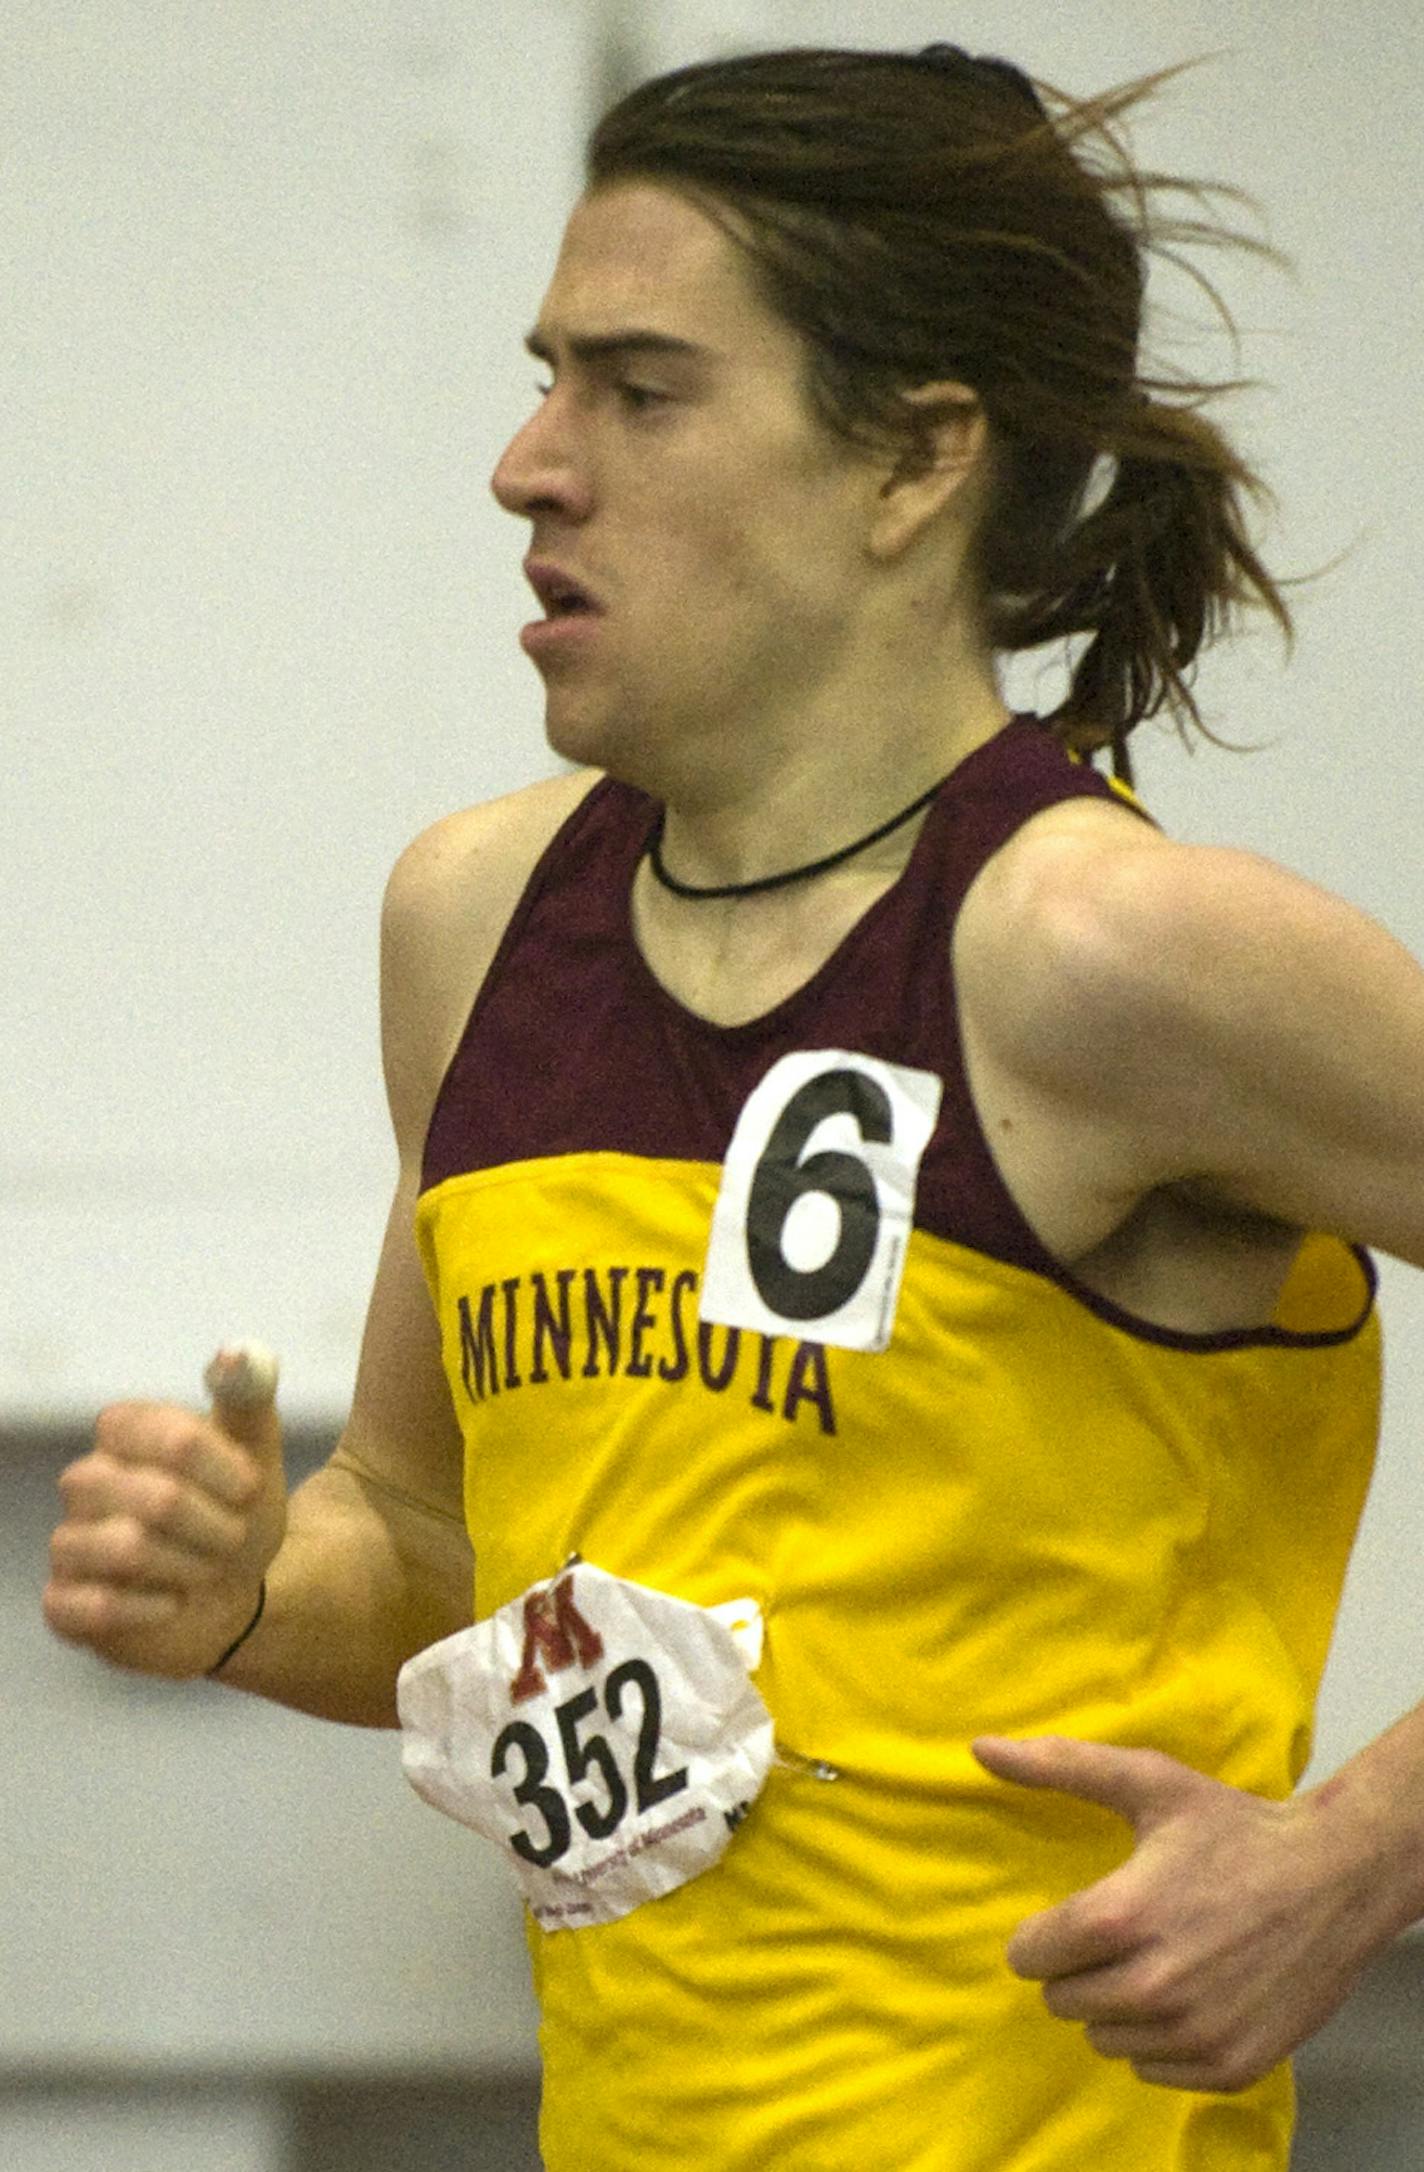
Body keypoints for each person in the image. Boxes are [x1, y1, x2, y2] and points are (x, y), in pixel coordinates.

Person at [42, 41, 1424, 2172]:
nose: (526, 464)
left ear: (913, 460)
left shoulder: (1111, 961)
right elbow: (424, 1550)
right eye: (541, 376)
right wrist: (237, 1592)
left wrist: (1356, 1855)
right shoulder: (476, 923)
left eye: (640, 388)